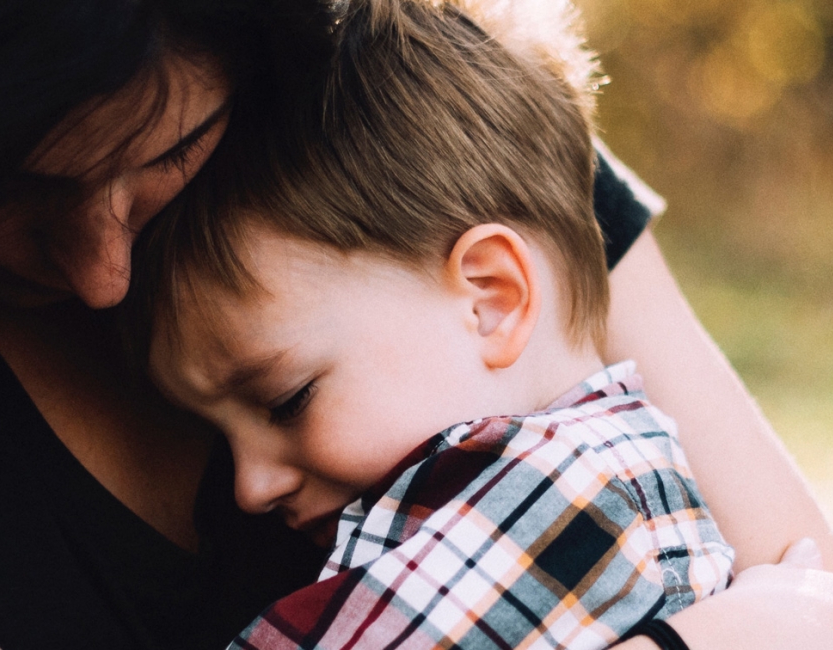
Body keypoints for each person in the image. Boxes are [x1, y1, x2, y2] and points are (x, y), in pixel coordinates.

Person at [0, 0, 833, 649]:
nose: (102, 272)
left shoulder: (419, 157)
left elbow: (822, 600)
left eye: (167, 152)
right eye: (3, 193)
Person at [129, 0, 733, 646]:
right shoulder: (619, 467)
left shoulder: (553, 504)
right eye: (218, 434)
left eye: (287, 401)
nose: (248, 486)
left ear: (491, 300)